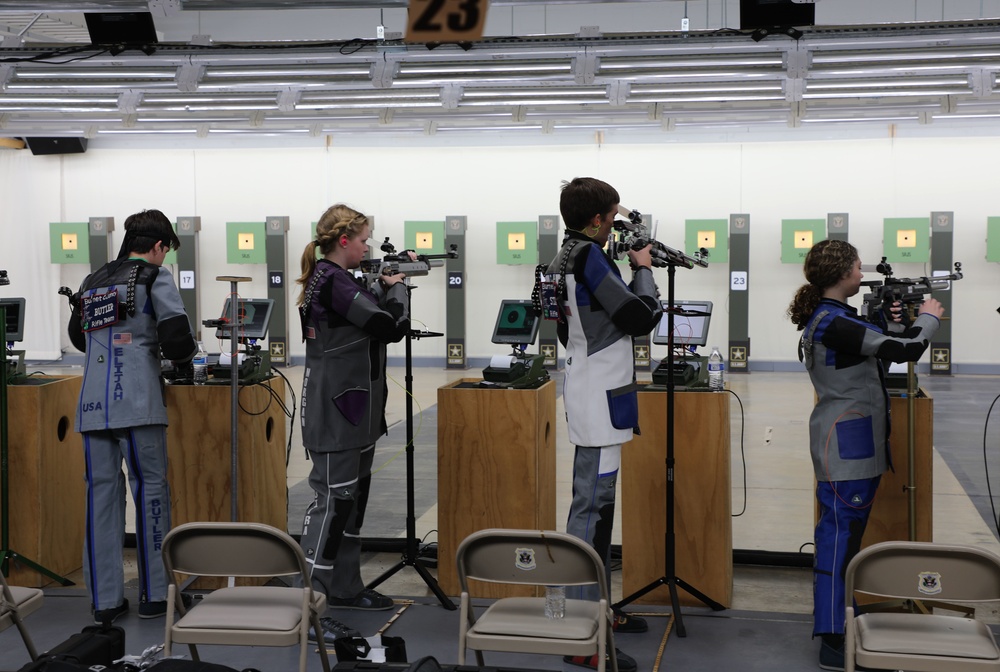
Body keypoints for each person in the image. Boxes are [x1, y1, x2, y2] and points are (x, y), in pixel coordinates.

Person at [787, 239, 944, 671]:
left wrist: (889, 322)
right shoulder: (833, 322)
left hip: (852, 441)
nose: (862, 272)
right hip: (846, 445)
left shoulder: (837, 319)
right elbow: (907, 350)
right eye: (857, 267)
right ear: (842, 274)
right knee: (838, 541)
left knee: (846, 539)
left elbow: (877, 354)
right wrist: (928, 320)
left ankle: (840, 619)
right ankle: (833, 640)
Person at [545, 177, 662, 672]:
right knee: (589, 509)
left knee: (597, 506)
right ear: (596, 219)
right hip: (598, 394)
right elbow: (639, 316)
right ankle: (573, 628)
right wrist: (644, 271)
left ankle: (596, 610)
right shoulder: (588, 257)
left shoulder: (566, 253)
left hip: (595, 386)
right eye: (612, 216)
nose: (616, 223)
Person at [68, 209, 197, 624]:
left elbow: (77, 338)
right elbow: (178, 340)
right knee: (150, 491)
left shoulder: (93, 280)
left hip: (93, 404)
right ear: (158, 246)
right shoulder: (154, 278)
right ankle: (155, 596)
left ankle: (105, 601)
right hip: (138, 402)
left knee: (100, 497)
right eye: (166, 252)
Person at [295, 203, 410, 644]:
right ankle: (308, 604)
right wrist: (397, 289)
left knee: (352, 502)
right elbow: (387, 326)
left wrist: (383, 285)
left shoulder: (339, 280)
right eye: (363, 240)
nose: (367, 246)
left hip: (355, 408)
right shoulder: (333, 280)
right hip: (337, 409)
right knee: (333, 503)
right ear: (343, 240)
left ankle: (344, 588)